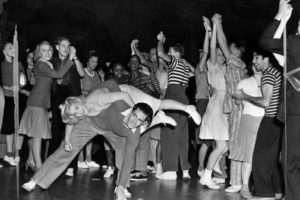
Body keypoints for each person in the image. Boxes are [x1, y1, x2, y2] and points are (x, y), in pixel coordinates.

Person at [22, 80, 201, 200]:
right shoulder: (84, 106)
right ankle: (37, 179)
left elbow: (130, 155)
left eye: (77, 108)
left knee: (124, 154)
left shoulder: (132, 127)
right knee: (65, 150)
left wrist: (133, 113)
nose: (78, 111)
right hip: (92, 122)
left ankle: (122, 187)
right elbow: (72, 118)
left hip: (116, 122)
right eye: (76, 109)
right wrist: (68, 138)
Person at [258, 1, 299, 199]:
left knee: (290, 161)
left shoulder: (295, 43)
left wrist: (280, 17)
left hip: (296, 113)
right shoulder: (292, 49)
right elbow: (278, 53)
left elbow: (267, 42)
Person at [233, 49, 283, 199]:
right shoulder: (277, 72)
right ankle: (277, 192)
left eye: (257, 57)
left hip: (269, 120)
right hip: (278, 121)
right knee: (270, 158)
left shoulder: (268, 74)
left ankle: (264, 195)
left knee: (259, 159)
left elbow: (265, 102)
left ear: (266, 59)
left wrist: (244, 96)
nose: (254, 61)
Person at [18, 41, 74, 170]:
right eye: (43, 50)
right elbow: (59, 74)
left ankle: (31, 161)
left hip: (40, 102)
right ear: (38, 53)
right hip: (37, 102)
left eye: (49, 50)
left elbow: (51, 79)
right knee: (37, 136)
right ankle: (39, 166)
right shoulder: (42, 64)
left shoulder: (46, 64)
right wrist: (70, 58)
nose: (47, 52)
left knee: (34, 135)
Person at [156, 31, 195, 180]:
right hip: (184, 98)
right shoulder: (184, 66)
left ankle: (171, 170)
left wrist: (160, 40)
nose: (168, 53)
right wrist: (186, 62)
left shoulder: (175, 60)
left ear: (175, 53)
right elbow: (195, 73)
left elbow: (160, 53)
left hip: (173, 96)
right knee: (182, 136)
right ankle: (185, 170)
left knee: (169, 133)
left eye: (170, 51)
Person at [199, 14, 229, 190]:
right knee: (221, 145)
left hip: (224, 107)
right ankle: (207, 174)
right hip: (217, 106)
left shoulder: (227, 68)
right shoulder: (214, 67)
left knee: (226, 145)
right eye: (215, 54)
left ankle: (214, 165)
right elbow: (210, 47)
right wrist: (213, 28)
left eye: (220, 53)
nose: (217, 54)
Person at [50, 36, 84, 176]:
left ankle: (71, 165)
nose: (65, 48)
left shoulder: (74, 59)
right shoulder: (52, 62)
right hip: (58, 97)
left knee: (72, 132)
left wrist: (75, 57)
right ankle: (51, 164)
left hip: (74, 97)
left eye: (67, 45)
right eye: (63, 45)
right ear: (57, 47)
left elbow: (82, 73)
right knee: (56, 131)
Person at [230, 64, 264, 198]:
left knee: (262, 155)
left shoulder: (269, 81)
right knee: (248, 154)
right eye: (254, 63)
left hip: (265, 120)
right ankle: (245, 186)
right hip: (249, 119)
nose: (256, 65)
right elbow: (238, 102)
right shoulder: (244, 82)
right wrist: (238, 96)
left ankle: (261, 186)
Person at [0, 42, 27, 166]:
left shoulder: (19, 63)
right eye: (10, 48)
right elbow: (3, 84)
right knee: (9, 128)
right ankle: (8, 154)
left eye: (13, 47)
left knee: (19, 126)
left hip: (18, 98)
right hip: (8, 98)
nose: (13, 49)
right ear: (4, 51)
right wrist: (10, 87)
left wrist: (21, 84)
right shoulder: (2, 65)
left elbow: (23, 81)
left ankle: (17, 153)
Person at [77, 50, 102, 169]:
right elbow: (80, 90)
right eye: (92, 61)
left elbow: (100, 89)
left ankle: (88, 158)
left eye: (96, 62)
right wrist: (90, 93)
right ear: (87, 61)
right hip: (83, 104)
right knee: (81, 132)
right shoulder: (82, 72)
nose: (94, 64)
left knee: (90, 133)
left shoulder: (96, 74)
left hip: (93, 107)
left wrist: (102, 78)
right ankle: (80, 159)